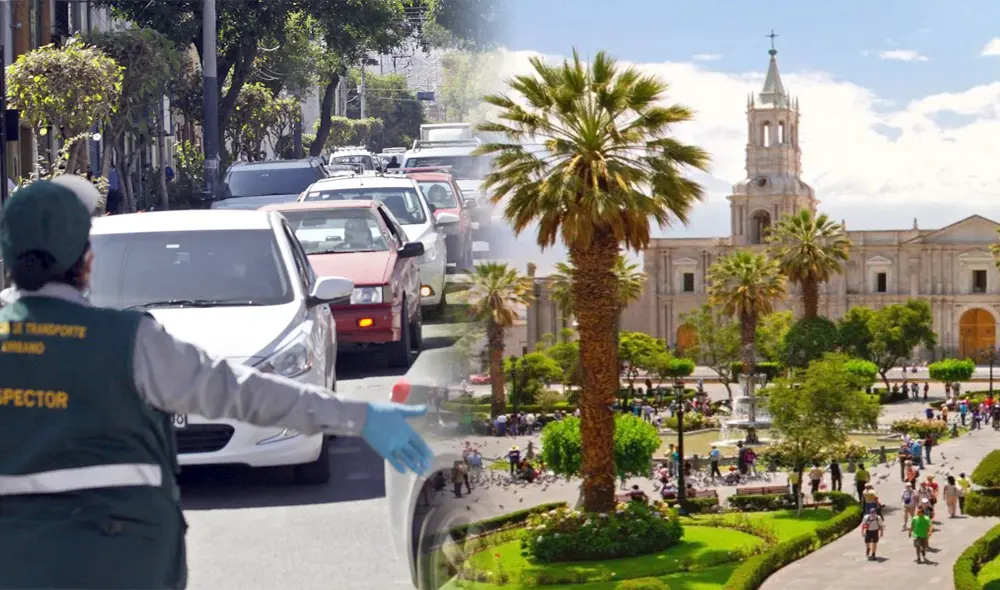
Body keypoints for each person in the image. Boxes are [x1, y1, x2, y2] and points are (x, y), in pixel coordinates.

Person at [0, 178, 434, 589]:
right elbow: (241, 392)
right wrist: (358, 416)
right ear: (87, 261)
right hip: (124, 557)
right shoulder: (130, 341)